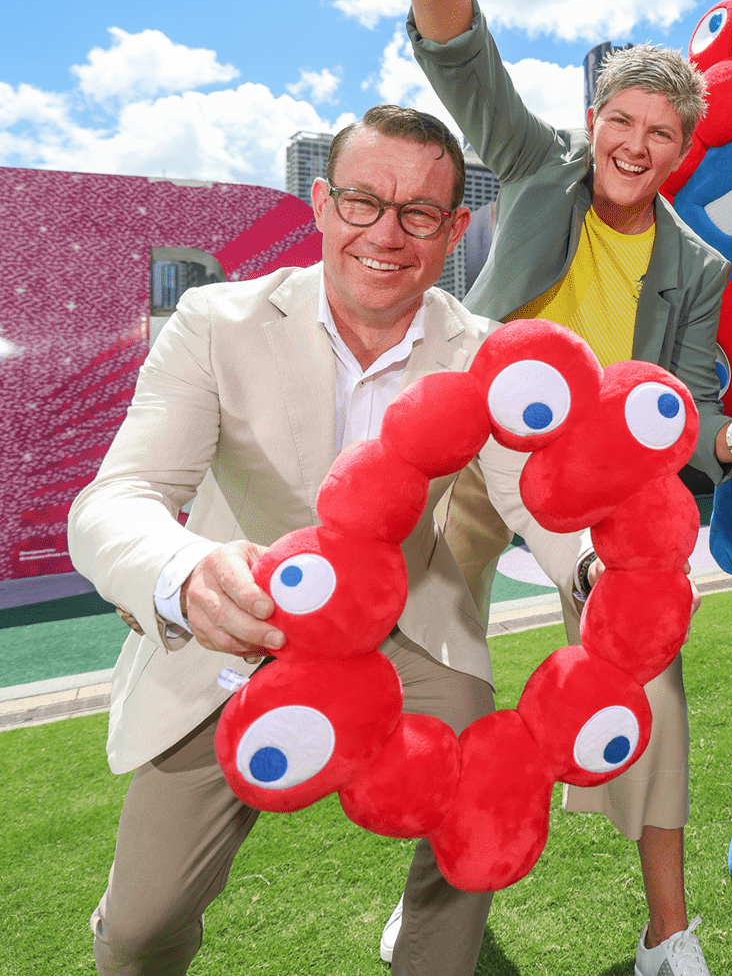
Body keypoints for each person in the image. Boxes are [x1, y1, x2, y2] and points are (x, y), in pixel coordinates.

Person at [343, 0, 732, 976]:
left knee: (648, 665)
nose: (635, 144)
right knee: (441, 675)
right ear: (593, 121)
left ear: (682, 148)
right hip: (467, 445)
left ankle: (668, 933)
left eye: (661, 131)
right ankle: (436, 905)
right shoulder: (544, 164)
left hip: (581, 485)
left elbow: (693, 407)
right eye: (620, 121)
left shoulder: (697, 269)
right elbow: (463, 56)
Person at [69, 105, 585, 976]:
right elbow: (118, 496)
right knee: (140, 925)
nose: (387, 234)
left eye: (420, 212)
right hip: (242, 621)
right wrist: (187, 572)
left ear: (455, 228)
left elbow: (540, 496)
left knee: (474, 811)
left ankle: (429, 956)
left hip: (409, 629)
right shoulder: (212, 322)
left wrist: (597, 566)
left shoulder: (483, 354)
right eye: (361, 202)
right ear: (319, 203)